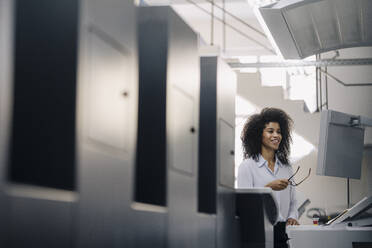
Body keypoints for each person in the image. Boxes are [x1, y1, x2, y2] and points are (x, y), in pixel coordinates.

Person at [237, 107, 299, 248]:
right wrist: (268, 188)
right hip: (257, 234)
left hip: (283, 235)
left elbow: (294, 202)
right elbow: (245, 207)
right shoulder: (247, 167)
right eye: (270, 131)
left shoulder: (286, 167)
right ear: (259, 134)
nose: (276, 135)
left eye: (279, 132)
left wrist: (292, 217)